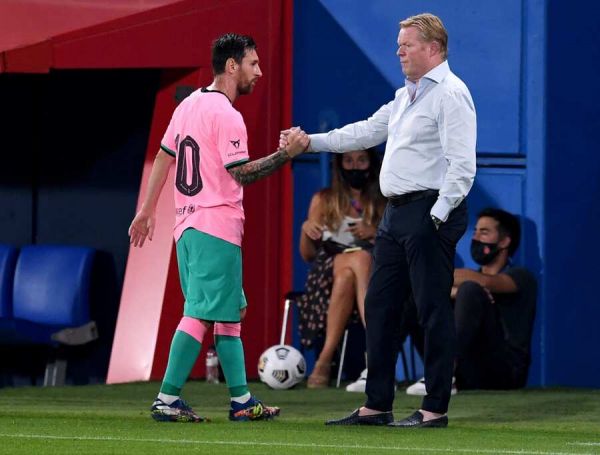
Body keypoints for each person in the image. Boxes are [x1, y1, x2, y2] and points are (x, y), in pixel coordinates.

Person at [281, 12, 476, 427]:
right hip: (396, 214)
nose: (398, 51)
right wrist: (309, 143)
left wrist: (436, 217)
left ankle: (434, 408)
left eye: (406, 45)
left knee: (432, 309)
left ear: (433, 48)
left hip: (429, 212)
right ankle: (377, 405)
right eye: (398, 44)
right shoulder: (405, 95)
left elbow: (463, 167)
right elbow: (364, 132)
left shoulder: (451, 94)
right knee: (380, 306)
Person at [128, 33, 309, 423]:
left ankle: (241, 401)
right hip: (214, 225)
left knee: (228, 313)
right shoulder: (227, 115)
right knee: (200, 313)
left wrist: (148, 209)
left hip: (188, 227)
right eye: (253, 64)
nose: (259, 72)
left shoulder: (189, 103)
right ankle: (167, 398)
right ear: (232, 66)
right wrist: (286, 154)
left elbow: (164, 156)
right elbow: (242, 173)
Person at [406, 208, 537, 395]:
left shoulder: (521, 277)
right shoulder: (466, 282)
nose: (476, 238)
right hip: (467, 370)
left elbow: (486, 282)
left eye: (484, 232)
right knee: (416, 297)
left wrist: (459, 289)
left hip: (504, 373)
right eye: (475, 231)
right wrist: (454, 292)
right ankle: (378, 370)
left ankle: (442, 371)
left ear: (504, 242)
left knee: (469, 290)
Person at [297, 148, 386, 389]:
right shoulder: (324, 199)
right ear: (340, 165)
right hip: (326, 273)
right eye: (348, 161)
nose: (355, 166)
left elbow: (398, 247)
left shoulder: (383, 201)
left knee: (352, 270)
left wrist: (375, 233)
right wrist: (306, 229)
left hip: (370, 273)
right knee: (359, 259)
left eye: (361, 160)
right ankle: (377, 353)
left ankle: (323, 361)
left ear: (371, 164)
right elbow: (308, 255)